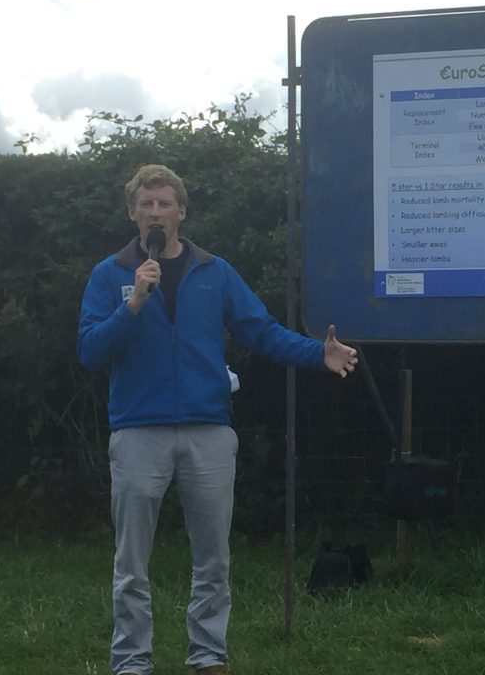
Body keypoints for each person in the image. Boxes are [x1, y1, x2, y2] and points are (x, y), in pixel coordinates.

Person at [77, 164, 357, 675]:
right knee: (131, 562)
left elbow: (262, 331)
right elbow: (91, 352)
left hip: (208, 431)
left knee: (213, 559)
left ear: (181, 211)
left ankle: (208, 657)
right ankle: (132, 661)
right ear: (132, 213)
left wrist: (319, 353)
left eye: (165, 203)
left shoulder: (216, 271)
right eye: (146, 204)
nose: (156, 212)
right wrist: (133, 303)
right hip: (138, 433)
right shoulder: (109, 275)